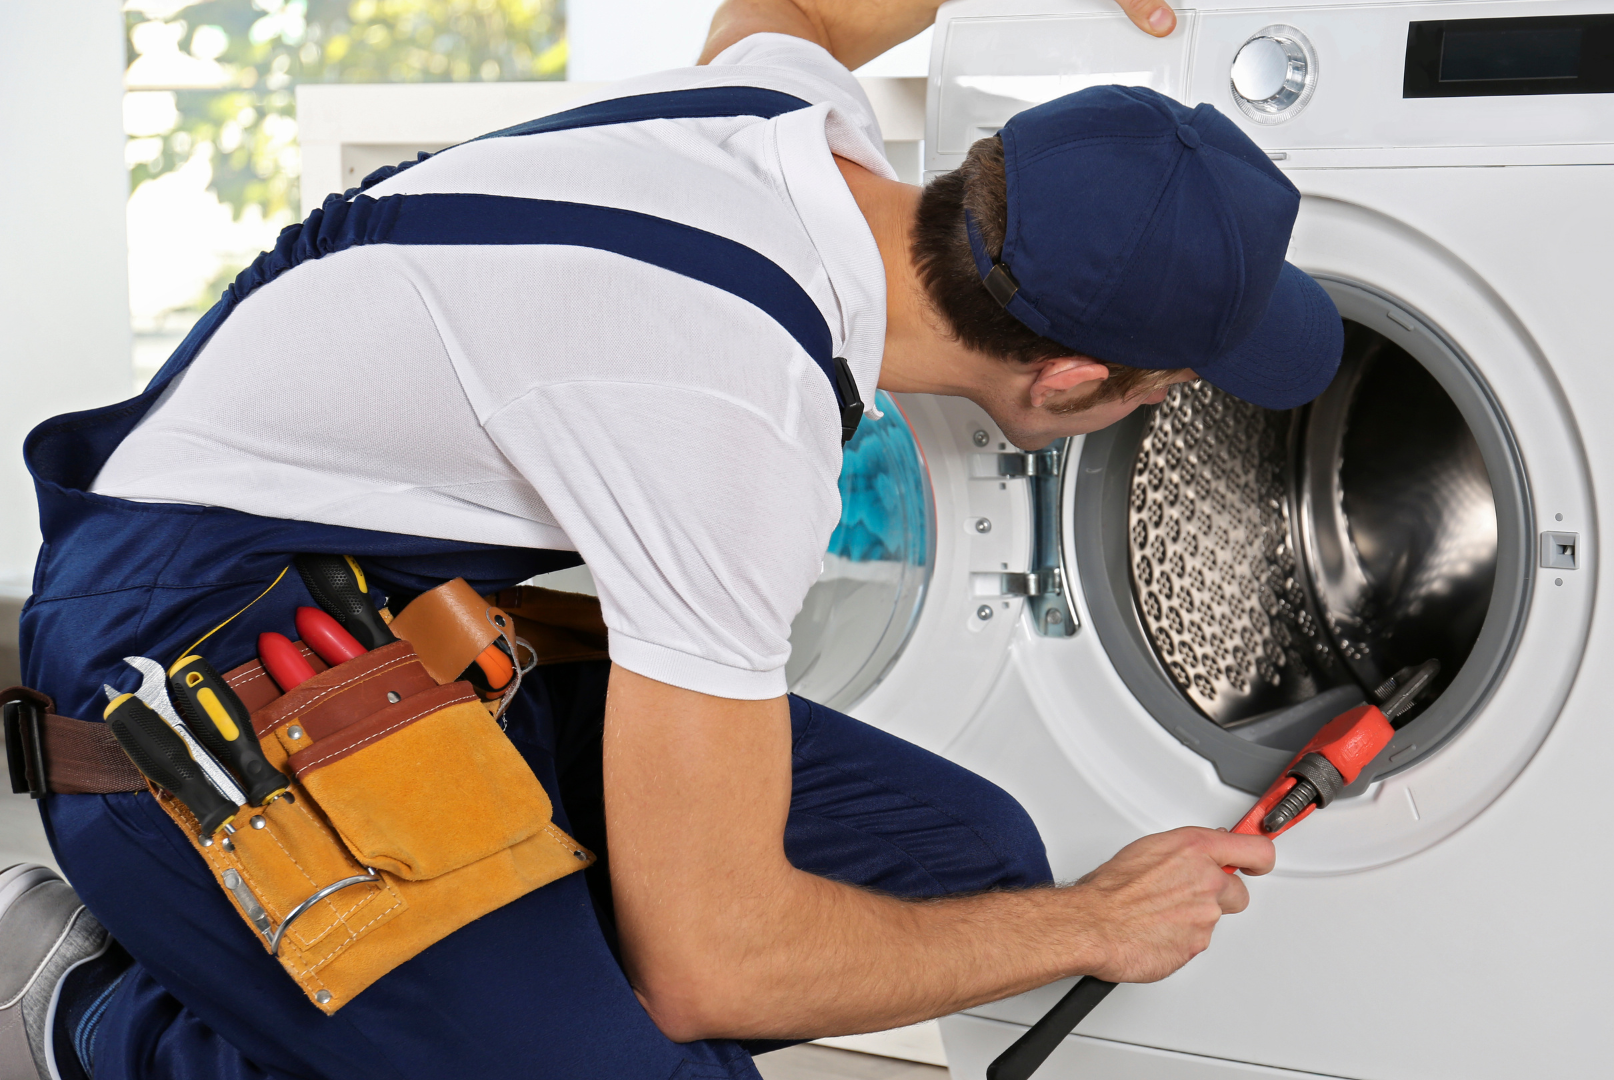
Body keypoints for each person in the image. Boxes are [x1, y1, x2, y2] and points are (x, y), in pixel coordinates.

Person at [0, 0, 1342, 1077]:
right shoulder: (735, 423)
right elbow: (713, 966)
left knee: (965, 870)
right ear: (1067, 381)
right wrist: (1099, 920)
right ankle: (99, 1020)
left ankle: (430, 1005)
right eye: (1168, 387)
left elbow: (813, 5)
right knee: (672, 1044)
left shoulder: (786, 113)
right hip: (178, 679)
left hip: (377, 613)